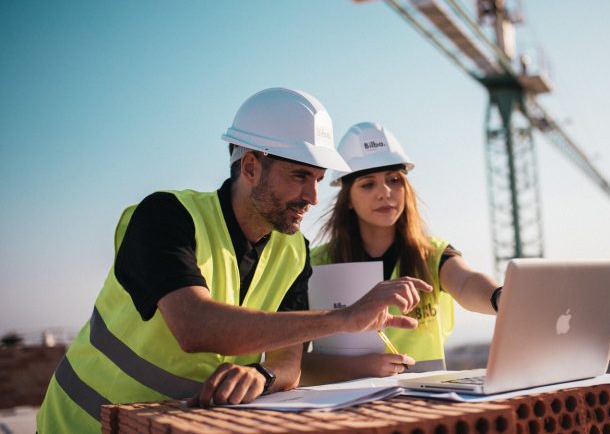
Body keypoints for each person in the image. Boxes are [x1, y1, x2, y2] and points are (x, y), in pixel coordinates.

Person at [37, 89, 431, 434]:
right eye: (299, 176)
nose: (312, 196)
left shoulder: (294, 253)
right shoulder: (167, 215)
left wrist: (261, 374)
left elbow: (288, 363)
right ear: (250, 166)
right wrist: (345, 318)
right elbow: (195, 326)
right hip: (82, 423)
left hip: (174, 425)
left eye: (317, 178)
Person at [302, 122, 501, 384]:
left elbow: (466, 282)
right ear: (348, 198)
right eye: (368, 184)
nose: (385, 193)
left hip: (427, 404)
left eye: (394, 180)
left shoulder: (432, 253)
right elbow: (294, 359)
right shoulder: (315, 264)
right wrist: (359, 368)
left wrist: (501, 297)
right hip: (347, 409)